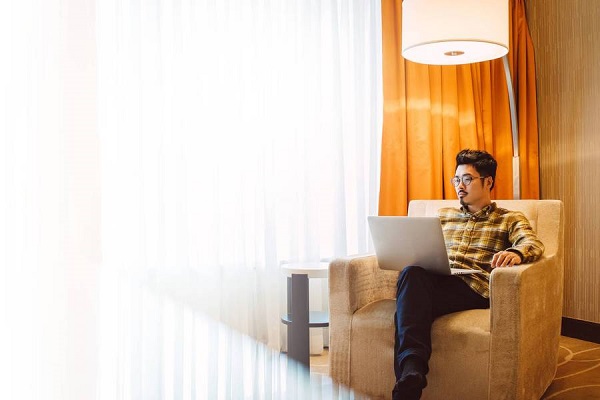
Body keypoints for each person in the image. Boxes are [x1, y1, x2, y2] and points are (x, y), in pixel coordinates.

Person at [392, 149, 545, 400]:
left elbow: (533, 243)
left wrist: (517, 253)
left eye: (467, 179)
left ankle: (411, 369)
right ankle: (412, 374)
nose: (459, 186)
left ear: (488, 182)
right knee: (410, 277)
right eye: (456, 180)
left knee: (407, 307)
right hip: (437, 280)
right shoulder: (443, 216)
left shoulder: (508, 218)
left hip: (473, 287)